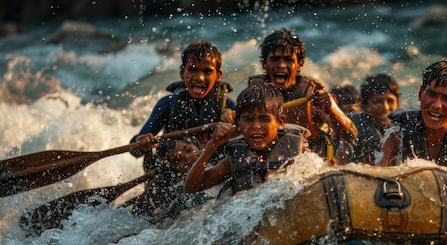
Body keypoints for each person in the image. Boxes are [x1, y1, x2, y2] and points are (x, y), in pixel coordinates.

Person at [247, 28, 357, 161]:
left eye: (288, 60)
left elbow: (351, 135)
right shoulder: (253, 91)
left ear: (300, 64)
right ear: (264, 64)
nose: (281, 65)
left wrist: (332, 109)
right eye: (275, 59)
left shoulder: (313, 92)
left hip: (310, 162)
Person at [184, 83, 311, 195]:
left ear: (280, 122)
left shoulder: (299, 151)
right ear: (239, 124)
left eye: (264, 119)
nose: (256, 126)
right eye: (249, 119)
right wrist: (212, 145)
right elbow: (192, 187)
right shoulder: (236, 157)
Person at [131, 39, 236, 171]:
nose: (199, 78)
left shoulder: (229, 106)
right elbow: (135, 151)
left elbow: (243, 142)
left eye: (207, 71)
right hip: (170, 176)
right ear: (182, 72)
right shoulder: (167, 105)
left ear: (218, 75)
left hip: (209, 175)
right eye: (193, 70)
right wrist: (142, 142)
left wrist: (233, 126)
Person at [378, 59, 447, 170]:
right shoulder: (396, 138)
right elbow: (381, 179)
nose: (437, 105)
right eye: (431, 94)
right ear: (421, 94)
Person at [335, 73, 400, 165]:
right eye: (377, 101)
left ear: (398, 103)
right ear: (363, 106)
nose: (385, 107)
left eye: (390, 101)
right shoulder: (352, 127)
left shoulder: (403, 128)